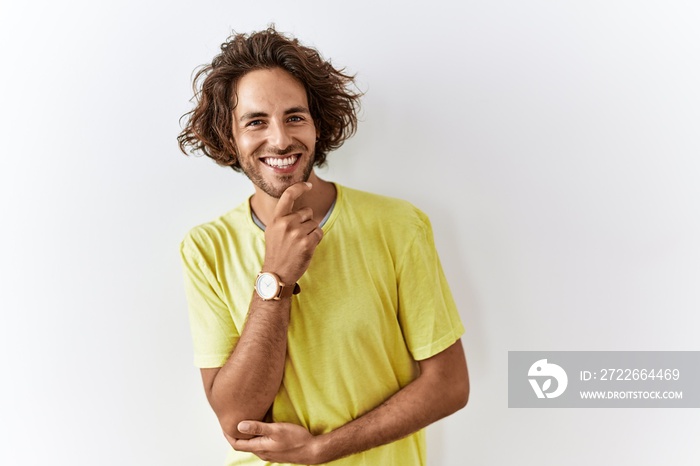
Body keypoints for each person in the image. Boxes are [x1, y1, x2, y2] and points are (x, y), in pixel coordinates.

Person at [177, 26, 469, 466]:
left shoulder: (398, 226)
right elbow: (236, 420)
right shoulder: (206, 248)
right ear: (229, 138)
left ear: (318, 126)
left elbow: (449, 385)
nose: (279, 140)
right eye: (256, 121)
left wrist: (320, 450)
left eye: (294, 116)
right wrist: (275, 278)